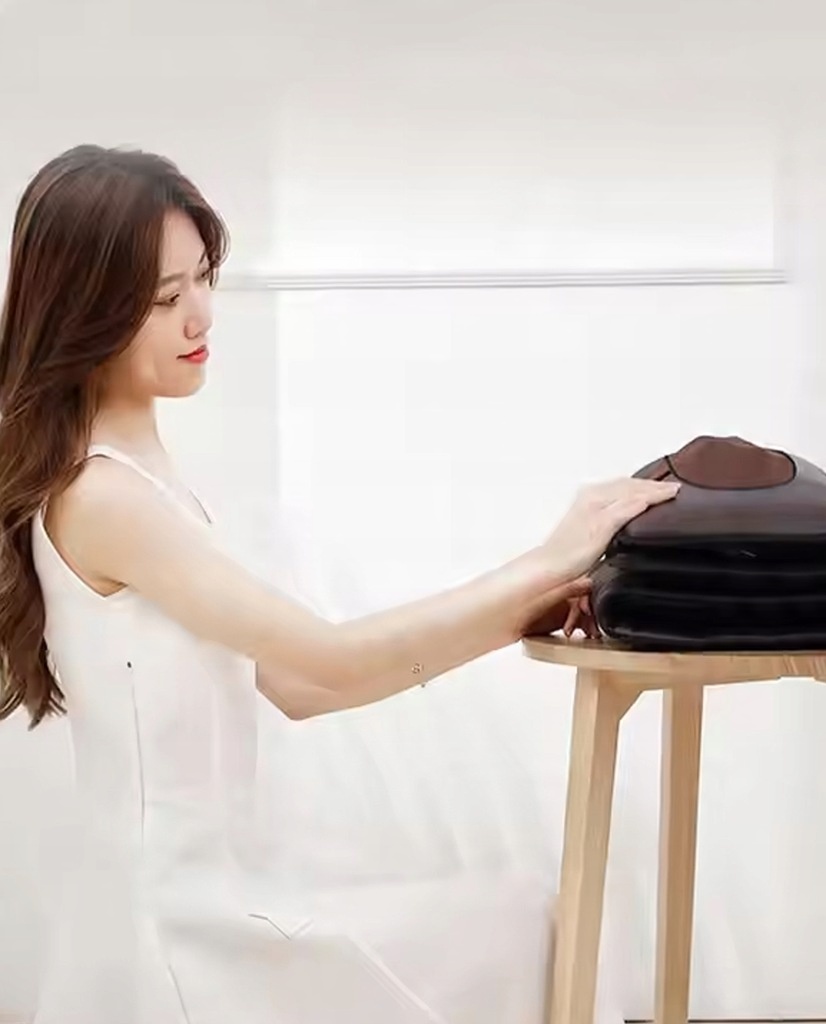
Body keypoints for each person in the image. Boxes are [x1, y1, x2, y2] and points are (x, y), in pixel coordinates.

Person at [0, 144, 680, 1024]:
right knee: (529, 926)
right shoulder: (106, 496)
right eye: (165, 298)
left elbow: (299, 687)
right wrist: (546, 559)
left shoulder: (144, 480)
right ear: (86, 309)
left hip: (201, 912)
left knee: (527, 919)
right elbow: (328, 659)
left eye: (203, 277)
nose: (200, 313)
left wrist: (527, 606)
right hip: (179, 940)